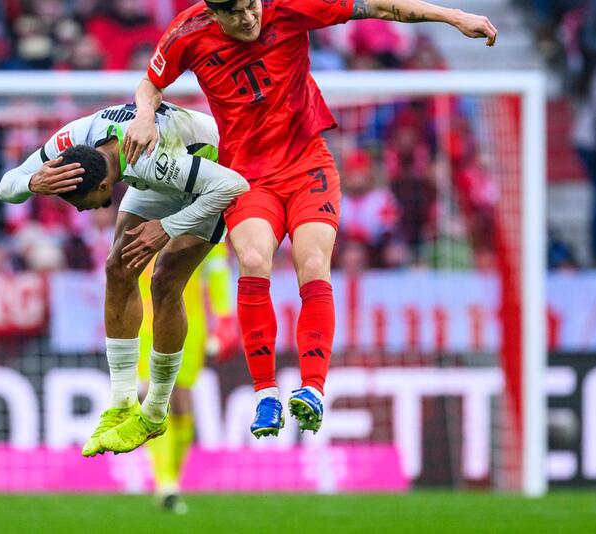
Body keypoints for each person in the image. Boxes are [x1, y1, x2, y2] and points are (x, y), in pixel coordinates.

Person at [123, 0, 496, 437]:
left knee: (314, 265)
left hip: (307, 165)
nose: (249, 19)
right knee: (255, 260)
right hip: (247, 176)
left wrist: (457, 17)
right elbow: (150, 83)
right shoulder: (188, 32)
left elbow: (380, 7)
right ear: (214, 13)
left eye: (251, 6)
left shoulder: (290, 6)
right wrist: (145, 115)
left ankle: (313, 390)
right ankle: (266, 395)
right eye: (236, 14)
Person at [0, 102, 248, 455]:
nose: (81, 211)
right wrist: (30, 181)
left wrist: (168, 227)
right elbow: (5, 188)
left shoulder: (156, 162)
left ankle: (155, 412)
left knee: (165, 281)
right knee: (118, 268)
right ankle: (121, 404)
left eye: (82, 202)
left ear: (103, 184)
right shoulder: (75, 137)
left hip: (211, 174)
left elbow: (235, 185)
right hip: (153, 171)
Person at [137, 243, 236, 514]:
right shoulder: (145, 212)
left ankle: (170, 479)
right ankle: (165, 482)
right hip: (148, 322)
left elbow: (217, 269)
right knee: (155, 395)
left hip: (190, 324)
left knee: (181, 403)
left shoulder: (208, 219)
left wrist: (224, 316)